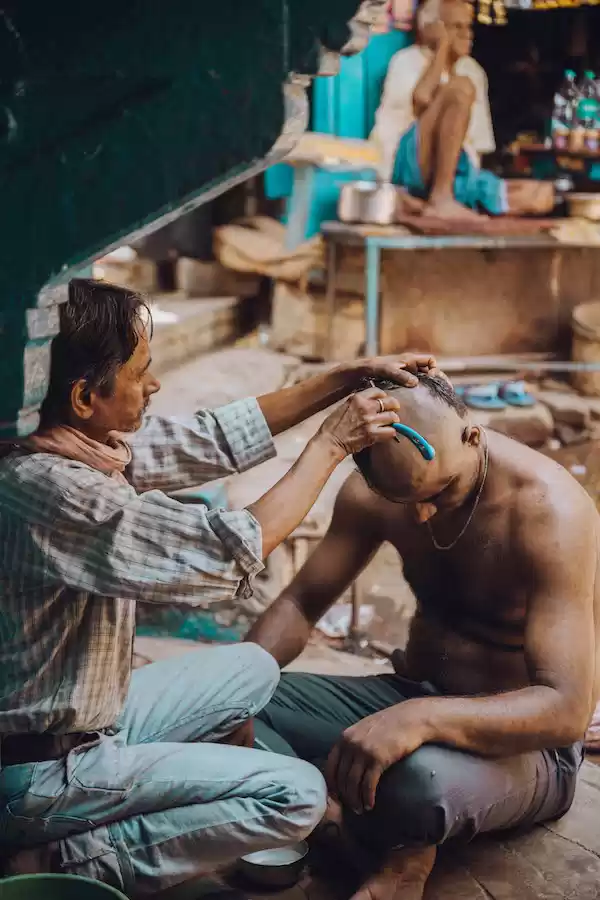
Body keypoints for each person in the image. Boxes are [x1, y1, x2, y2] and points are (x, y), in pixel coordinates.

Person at [0, 278, 436, 895]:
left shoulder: (70, 440)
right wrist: (331, 444)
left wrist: (345, 376)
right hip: (36, 773)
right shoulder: (51, 489)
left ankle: (130, 800)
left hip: (86, 718)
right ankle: (63, 860)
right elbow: (224, 549)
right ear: (83, 395)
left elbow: (207, 438)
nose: (154, 386)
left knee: (253, 668)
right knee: (296, 796)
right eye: (141, 373)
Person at [247, 373, 599, 900]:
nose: (421, 514)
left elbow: (568, 710)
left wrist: (422, 720)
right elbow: (300, 604)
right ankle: (348, 822)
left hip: (524, 745)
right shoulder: (373, 495)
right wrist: (229, 682)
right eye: (401, 498)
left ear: (473, 436)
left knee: (414, 783)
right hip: (412, 692)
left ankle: (382, 840)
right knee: (238, 704)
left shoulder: (549, 512)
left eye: (438, 493)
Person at [371, 0, 555, 220]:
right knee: (460, 88)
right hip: (410, 168)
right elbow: (421, 100)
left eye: (468, 27)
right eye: (456, 27)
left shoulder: (474, 71)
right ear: (433, 30)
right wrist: (442, 50)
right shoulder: (406, 61)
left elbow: (476, 147)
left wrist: (472, 190)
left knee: (542, 196)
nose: (468, 34)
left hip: (458, 173)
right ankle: (441, 198)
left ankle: (443, 200)